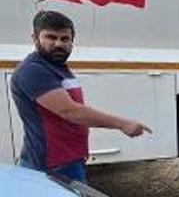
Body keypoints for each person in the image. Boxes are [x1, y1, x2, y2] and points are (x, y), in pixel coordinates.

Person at [9, 10, 151, 183]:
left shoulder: (57, 67)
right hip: (50, 167)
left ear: (72, 42)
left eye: (64, 39)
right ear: (35, 38)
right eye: (51, 37)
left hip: (67, 161)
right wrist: (123, 124)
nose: (58, 44)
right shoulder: (33, 70)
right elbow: (70, 111)